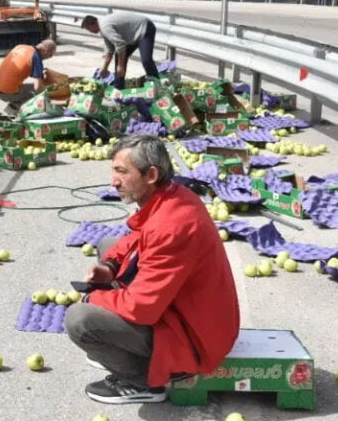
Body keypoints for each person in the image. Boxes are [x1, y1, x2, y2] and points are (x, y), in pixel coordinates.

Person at [64, 134, 240, 405]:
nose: (114, 181)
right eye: (114, 171)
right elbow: (137, 237)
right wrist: (110, 267)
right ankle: (120, 349)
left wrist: (93, 298)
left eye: (122, 172)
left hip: (195, 339)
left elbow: (142, 309)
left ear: (151, 175)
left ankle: (141, 381)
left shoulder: (171, 226)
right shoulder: (173, 195)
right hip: (195, 314)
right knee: (109, 246)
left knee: (80, 320)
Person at [81, 13, 160, 89]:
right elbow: (109, 49)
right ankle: (118, 88)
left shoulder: (105, 27)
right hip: (132, 35)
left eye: (88, 29)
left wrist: (120, 66)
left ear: (92, 24)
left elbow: (120, 44)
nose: (89, 31)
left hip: (145, 28)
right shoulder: (103, 28)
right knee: (119, 57)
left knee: (146, 60)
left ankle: (157, 85)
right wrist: (104, 68)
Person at [0, 39, 57, 116]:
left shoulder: (21, 47)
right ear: (45, 50)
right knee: (34, 98)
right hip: (5, 92)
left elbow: (21, 66)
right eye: (50, 55)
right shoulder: (36, 57)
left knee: (33, 88)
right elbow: (37, 87)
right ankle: (13, 111)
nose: (49, 58)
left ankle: (13, 107)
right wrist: (46, 101)